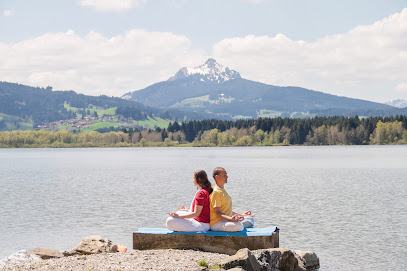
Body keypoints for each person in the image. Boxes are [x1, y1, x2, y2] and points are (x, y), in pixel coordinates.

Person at [209, 167, 255, 232]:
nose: (227, 177)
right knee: (239, 226)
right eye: (224, 175)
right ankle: (240, 223)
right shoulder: (216, 192)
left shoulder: (223, 190)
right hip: (217, 224)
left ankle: (240, 222)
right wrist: (231, 219)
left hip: (227, 221)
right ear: (217, 177)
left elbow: (228, 210)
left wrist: (242, 215)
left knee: (250, 218)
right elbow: (218, 213)